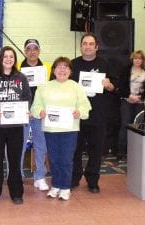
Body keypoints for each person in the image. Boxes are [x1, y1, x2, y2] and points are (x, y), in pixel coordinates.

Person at [31, 56, 91, 200]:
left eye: (66, 67)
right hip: (51, 130)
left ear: (70, 71)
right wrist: (40, 112)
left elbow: (85, 106)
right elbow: (35, 106)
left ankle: (65, 187)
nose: (62, 69)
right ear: (53, 70)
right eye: (59, 66)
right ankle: (55, 185)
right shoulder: (44, 87)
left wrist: (79, 112)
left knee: (66, 159)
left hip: (69, 130)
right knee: (54, 159)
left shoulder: (76, 87)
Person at [0, 46, 31, 205]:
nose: (8, 59)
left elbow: (27, 97)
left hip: (15, 127)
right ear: (1, 59)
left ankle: (16, 192)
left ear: (14, 60)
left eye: (11, 57)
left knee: (15, 161)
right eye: (5, 57)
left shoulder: (21, 77)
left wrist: (25, 110)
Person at [70, 33, 117, 193]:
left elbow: (116, 87)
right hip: (78, 116)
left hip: (99, 115)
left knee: (96, 150)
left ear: (96, 47)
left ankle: (92, 180)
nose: (87, 46)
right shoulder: (73, 65)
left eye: (91, 44)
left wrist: (110, 85)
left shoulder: (105, 64)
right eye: (85, 43)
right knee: (75, 149)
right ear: (80, 46)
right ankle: (74, 177)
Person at [20, 39, 51, 191]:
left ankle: (39, 176)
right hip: (22, 114)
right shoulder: (18, 69)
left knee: (41, 145)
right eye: (29, 49)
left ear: (39, 51)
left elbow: (51, 91)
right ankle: (17, 177)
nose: (32, 52)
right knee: (18, 145)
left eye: (35, 49)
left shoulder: (47, 69)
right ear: (25, 51)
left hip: (40, 113)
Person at [117, 50, 145, 160]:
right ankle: (121, 151)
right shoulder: (125, 70)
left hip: (140, 102)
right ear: (132, 59)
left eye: (140, 58)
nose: (137, 60)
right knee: (125, 125)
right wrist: (129, 96)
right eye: (135, 58)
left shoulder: (144, 71)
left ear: (142, 60)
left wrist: (140, 98)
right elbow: (121, 86)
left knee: (138, 126)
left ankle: (135, 151)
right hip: (127, 101)